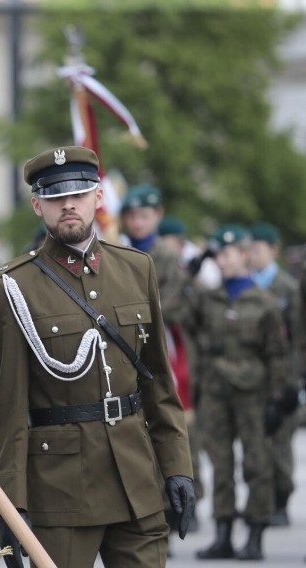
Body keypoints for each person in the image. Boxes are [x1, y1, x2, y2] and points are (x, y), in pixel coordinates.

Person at [0, 146, 195, 568]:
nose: (68, 204)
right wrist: (12, 503)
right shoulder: (12, 285)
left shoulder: (137, 269)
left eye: (78, 194)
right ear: (37, 205)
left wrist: (178, 467)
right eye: (55, 196)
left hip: (136, 481)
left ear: (98, 198)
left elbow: (157, 382)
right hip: (60, 492)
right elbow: (9, 409)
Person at [192, 225, 292, 561]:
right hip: (216, 392)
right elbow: (173, 312)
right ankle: (222, 534)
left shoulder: (265, 302)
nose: (222, 260)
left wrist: (280, 397)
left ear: (245, 255)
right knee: (220, 465)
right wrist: (190, 271)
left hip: (253, 392)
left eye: (228, 253)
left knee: (256, 464)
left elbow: (278, 353)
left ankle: (255, 535)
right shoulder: (208, 298)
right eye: (217, 254)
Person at [121, 186, 203, 533]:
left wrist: (130, 315)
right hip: (126, 345)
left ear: (157, 216)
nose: (138, 223)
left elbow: (171, 305)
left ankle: (185, 494)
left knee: (175, 419)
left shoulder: (166, 256)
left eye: (144, 216)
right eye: (132, 217)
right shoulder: (119, 252)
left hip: (163, 344)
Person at [248, 222, 302, 527]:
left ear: (273, 250)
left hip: (282, 379)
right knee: (256, 447)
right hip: (254, 379)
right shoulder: (248, 287)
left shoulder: (288, 289)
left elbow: (296, 341)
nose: (253, 256)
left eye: (258, 250)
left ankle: (281, 500)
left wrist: (292, 383)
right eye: (250, 250)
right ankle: (261, 502)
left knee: (280, 445)